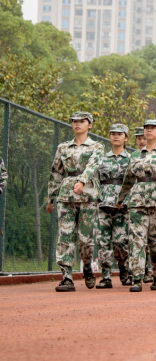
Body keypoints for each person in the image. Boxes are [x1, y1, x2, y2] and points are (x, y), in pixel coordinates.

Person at [49, 111, 103, 292]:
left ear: (90, 125)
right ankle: (67, 277)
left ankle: (87, 267)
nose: (77, 124)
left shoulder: (97, 146)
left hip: (88, 195)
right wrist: (50, 198)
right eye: (74, 121)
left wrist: (82, 181)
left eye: (82, 121)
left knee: (85, 239)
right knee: (65, 236)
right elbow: (56, 173)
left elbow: (92, 165)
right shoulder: (63, 147)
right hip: (66, 195)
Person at [117, 120, 156, 292]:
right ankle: (137, 278)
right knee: (137, 240)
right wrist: (121, 198)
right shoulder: (135, 155)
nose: (149, 131)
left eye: (153, 128)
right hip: (137, 201)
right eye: (146, 129)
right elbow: (128, 179)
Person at [79, 123, 132, 288]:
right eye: (113, 133)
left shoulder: (131, 158)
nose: (116, 136)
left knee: (120, 242)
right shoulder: (101, 158)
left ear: (126, 137)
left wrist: (128, 201)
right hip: (102, 205)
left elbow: (133, 182)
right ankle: (106, 276)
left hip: (122, 206)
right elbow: (94, 179)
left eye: (120, 134)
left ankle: (123, 267)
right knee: (102, 242)